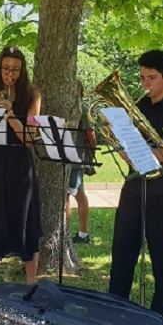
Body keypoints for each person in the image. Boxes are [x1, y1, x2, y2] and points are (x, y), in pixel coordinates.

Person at [108, 50, 163, 318]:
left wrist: (149, 153)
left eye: (152, 78)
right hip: (134, 186)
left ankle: (160, 312)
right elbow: (124, 140)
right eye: (143, 77)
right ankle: (115, 305)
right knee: (122, 249)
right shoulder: (137, 107)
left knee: (161, 254)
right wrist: (123, 147)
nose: (146, 84)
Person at [0, 46, 42, 285]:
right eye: (5, 69)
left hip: (20, 166)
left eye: (15, 70)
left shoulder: (32, 97)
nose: (9, 74)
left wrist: (11, 116)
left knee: (24, 221)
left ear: (22, 72)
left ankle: (32, 283)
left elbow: (30, 139)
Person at [65, 87, 97, 244]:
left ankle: (76, 234)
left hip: (76, 158)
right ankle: (82, 234)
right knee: (78, 194)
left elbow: (90, 134)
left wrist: (91, 157)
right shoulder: (68, 107)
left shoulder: (82, 109)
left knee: (69, 195)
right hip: (69, 157)